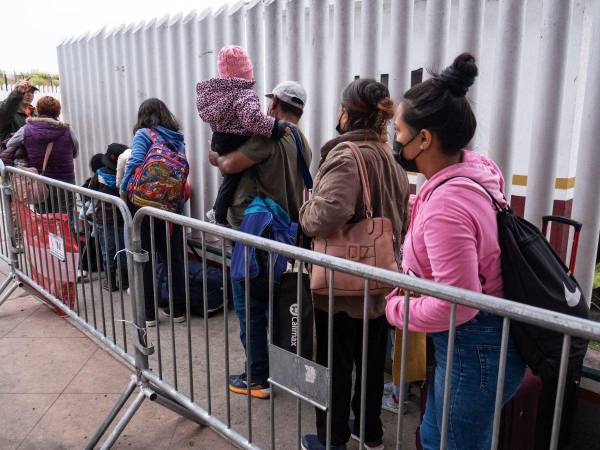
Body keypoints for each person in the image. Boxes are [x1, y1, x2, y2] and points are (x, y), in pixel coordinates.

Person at [385, 53, 525, 450]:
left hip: (473, 340)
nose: (394, 138)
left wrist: (395, 309)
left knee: (444, 441)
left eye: (398, 130)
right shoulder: (471, 169)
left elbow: (458, 304)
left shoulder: (449, 203)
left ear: (424, 138)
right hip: (484, 339)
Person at [299, 78, 410, 450]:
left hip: (341, 286)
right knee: (371, 362)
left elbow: (327, 213)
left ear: (347, 113)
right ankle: (370, 433)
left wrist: (304, 211)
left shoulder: (347, 157)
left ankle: (332, 439)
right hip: (378, 282)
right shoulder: (388, 158)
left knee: (334, 366)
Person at [208, 81, 311, 399]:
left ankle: (256, 378)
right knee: (270, 307)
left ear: (276, 105)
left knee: (249, 308)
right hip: (283, 236)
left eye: (271, 104)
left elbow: (227, 164)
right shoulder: (301, 141)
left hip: (255, 235)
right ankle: (275, 371)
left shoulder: (268, 136)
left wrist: (214, 155)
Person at [197, 45, 288, 226]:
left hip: (220, 138)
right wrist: (275, 128)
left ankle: (217, 210)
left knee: (230, 180)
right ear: (246, 72)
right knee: (233, 178)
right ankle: (219, 214)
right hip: (237, 139)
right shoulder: (244, 94)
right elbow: (252, 120)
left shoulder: (217, 95)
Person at [121, 98, 187, 326]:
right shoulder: (177, 137)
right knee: (173, 257)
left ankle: (149, 314)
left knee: (145, 258)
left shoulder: (144, 135)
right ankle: (178, 310)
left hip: (144, 206)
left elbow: (136, 161)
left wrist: (123, 189)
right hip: (172, 206)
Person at [7, 96, 79, 213]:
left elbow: (10, 144)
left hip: (39, 182)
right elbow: (75, 153)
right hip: (65, 182)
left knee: (43, 219)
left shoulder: (26, 129)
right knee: (66, 218)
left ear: (38, 110)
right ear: (58, 112)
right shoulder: (67, 130)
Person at [96, 143, 129, 291]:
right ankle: (124, 281)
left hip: (104, 219)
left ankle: (110, 282)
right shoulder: (126, 177)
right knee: (122, 249)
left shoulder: (99, 175)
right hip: (123, 218)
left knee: (107, 250)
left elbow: (88, 192)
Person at [0, 78, 37, 144]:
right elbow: (5, 110)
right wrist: (17, 92)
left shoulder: (35, 113)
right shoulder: (8, 110)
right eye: (26, 91)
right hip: (12, 153)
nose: (29, 94)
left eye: (32, 92)